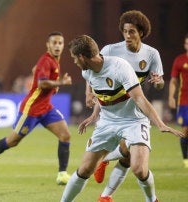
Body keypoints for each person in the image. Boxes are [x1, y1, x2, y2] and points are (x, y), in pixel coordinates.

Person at [60, 35, 183, 202]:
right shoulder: (86, 72)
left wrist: (160, 123)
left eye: (75, 58)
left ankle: (152, 199)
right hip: (107, 122)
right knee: (85, 169)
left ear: (82, 57)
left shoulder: (119, 67)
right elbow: (102, 94)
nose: (74, 62)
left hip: (134, 120)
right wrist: (94, 115)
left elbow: (139, 98)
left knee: (139, 169)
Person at [83, 10, 165, 201]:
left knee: (130, 160)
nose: (127, 36)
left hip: (135, 111)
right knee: (130, 158)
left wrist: (158, 81)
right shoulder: (111, 50)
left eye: (132, 32)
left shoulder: (152, 54)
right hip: (113, 111)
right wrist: (89, 93)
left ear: (141, 33)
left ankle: (105, 192)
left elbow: (160, 83)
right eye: (125, 31)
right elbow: (92, 69)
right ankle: (108, 191)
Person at [0, 31, 73, 185]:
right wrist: (60, 83)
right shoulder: (45, 61)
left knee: (65, 135)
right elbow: (42, 83)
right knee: (12, 141)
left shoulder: (54, 60)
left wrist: (53, 85)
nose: (58, 46)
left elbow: (35, 71)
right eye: (54, 42)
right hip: (31, 109)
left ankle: (62, 174)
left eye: (60, 43)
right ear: (48, 45)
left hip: (46, 108)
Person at [168, 33, 188, 168]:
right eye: (187, 43)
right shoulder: (180, 60)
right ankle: (186, 160)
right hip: (184, 102)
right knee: (185, 131)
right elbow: (174, 81)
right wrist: (171, 97)